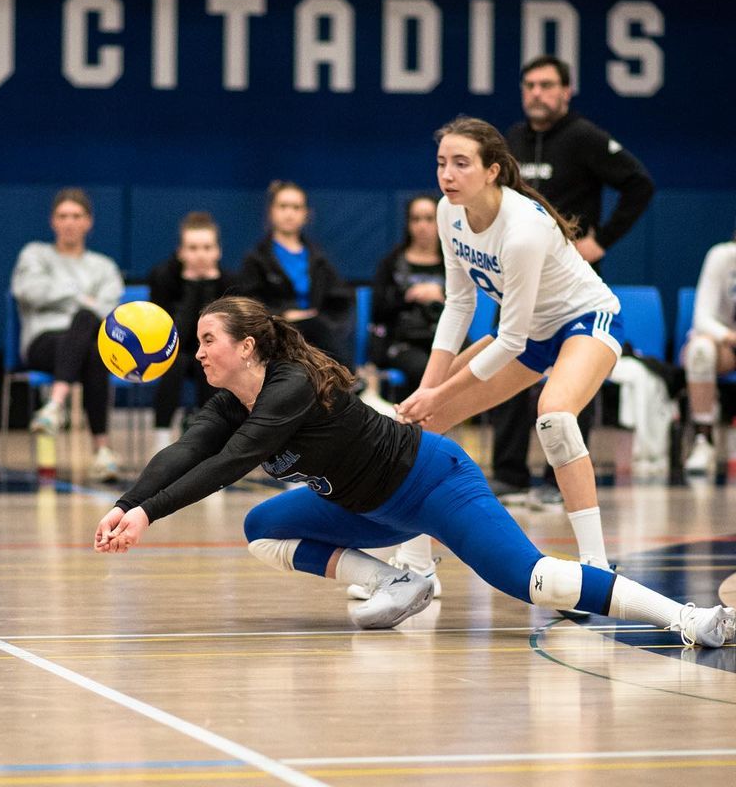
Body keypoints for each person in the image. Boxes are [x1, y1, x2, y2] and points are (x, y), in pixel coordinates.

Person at [91, 296, 733, 648]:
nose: (196, 352)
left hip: (432, 484)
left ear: (247, 347)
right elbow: (186, 451)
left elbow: (229, 464)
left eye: (206, 340)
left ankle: (690, 619)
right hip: (366, 510)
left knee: (532, 581)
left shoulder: (288, 388)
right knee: (262, 529)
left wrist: (148, 516)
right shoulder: (232, 401)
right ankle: (399, 580)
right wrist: (127, 503)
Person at [395, 116, 625, 583]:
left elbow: (510, 341)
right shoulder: (447, 213)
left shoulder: (522, 230)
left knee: (555, 417)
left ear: (492, 170)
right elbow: (459, 304)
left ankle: (596, 566)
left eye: (461, 164)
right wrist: (428, 391)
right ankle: (416, 569)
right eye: (442, 163)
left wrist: (439, 392)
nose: (448, 175)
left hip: (586, 321)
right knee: (419, 424)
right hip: (532, 333)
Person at [490, 55, 655, 506]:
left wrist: (601, 241)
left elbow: (639, 184)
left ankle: (557, 481)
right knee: (504, 366)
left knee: (568, 382)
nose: (537, 94)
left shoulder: (585, 138)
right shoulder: (513, 140)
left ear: (566, 91)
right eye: (530, 86)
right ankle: (508, 473)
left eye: (546, 85)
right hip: (519, 280)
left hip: (573, 287)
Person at [10, 188, 123, 482]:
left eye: (76, 216)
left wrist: (65, 298)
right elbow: (28, 292)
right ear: (52, 222)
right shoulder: (35, 254)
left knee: (91, 338)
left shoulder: (104, 266)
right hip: (42, 342)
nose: (69, 222)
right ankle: (102, 450)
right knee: (87, 321)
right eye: (63, 216)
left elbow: (108, 311)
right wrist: (81, 297)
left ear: (88, 222)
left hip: (89, 347)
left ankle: (55, 406)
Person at [237, 181, 355, 370]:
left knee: (319, 328)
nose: (289, 213)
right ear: (271, 211)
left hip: (317, 334)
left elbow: (340, 300)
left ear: (306, 214)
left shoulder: (319, 259)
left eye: (296, 207)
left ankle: (348, 383)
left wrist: (325, 320)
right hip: (276, 331)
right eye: (283, 206)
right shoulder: (257, 258)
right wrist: (283, 314)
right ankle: (354, 382)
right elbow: (249, 303)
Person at [147, 211, 235, 452]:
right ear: (181, 252)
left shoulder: (228, 281)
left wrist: (206, 287)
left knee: (210, 358)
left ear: (218, 251)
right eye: (193, 248)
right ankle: (161, 440)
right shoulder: (163, 277)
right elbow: (170, 336)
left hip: (214, 352)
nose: (200, 255)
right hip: (174, 350)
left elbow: (223, 336)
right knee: (173, 361)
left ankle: (212, 437)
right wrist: (192, 287)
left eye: (207, 247)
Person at [369, 193, 445, 400]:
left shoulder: (452, 263)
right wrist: (409, 297)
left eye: (429, 219)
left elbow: (468, 305)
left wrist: (442, 296)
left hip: (443, 337)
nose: (423, 226)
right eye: (416, 219)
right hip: (403, 342)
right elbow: (377, 311)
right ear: (408, 223)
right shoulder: (391, 263)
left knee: (468, 362)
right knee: (424, 369)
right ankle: (416, 429)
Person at [681, 225, 736, 476]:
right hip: (726, 345)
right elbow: (702, 318)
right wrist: (728, 336)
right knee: (700, 351)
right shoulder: (722, 256)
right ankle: (704, 440)